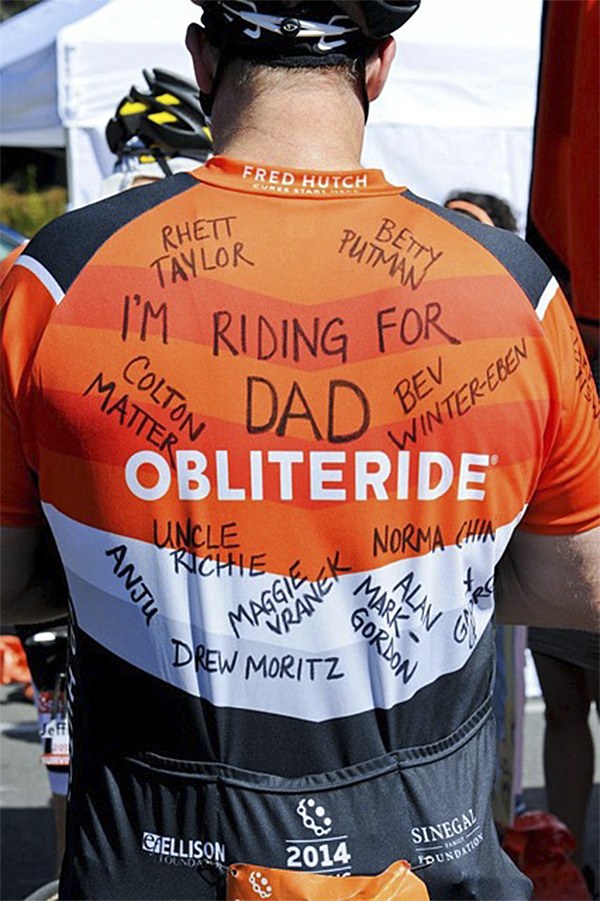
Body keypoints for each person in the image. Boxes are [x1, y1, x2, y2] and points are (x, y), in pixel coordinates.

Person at [1, 2, 598, 899]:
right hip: (426, 853)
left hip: (152, 854)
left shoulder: (59, 274)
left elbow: (6, 578)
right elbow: (578, 581)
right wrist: (425, 565)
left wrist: (123, 563)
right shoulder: (514, 290)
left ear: (203, 59)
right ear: (382, 65)